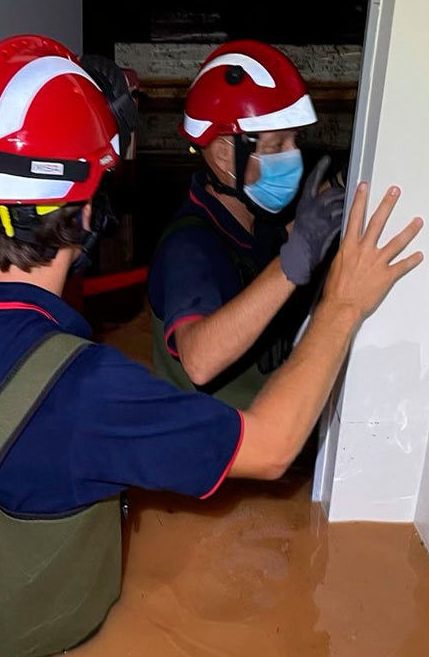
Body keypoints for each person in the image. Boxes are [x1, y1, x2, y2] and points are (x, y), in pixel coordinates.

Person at [0, 35, 423, 657]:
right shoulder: (86, 389)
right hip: (55, 654)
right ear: (88, 211)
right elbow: (271, 446)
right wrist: (342, 303)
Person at [148, 40, 347, 413]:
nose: (292, 157)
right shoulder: (191, 247)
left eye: (294, 141)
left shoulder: (249, 221)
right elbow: (199, 360)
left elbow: (282, 239)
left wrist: (338, 187)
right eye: (275, 146)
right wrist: (292, 264)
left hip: (255, 438)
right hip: (209, 458)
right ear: (225, 153)